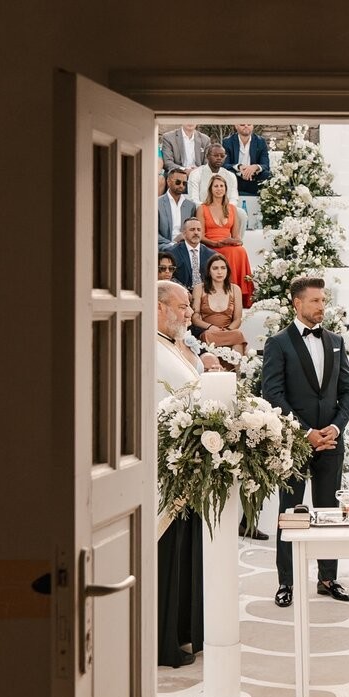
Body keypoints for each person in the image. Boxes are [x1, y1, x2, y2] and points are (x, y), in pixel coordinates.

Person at [261, 275, 349, 607]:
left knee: (329, 510)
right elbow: (273, 395)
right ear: (297, 303)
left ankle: (328, 578)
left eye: (323, 300)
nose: (322, 306)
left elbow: (348, 391)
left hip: (330, 441)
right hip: (294, 444)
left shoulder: (336, 341)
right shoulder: (278, 343)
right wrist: (306, 433)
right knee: (290, 512)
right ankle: (286, 582)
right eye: (315, 300)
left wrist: (336, 428)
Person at [156, 280, 207, 668]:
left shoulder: (173, 345)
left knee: (186, 552)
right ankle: (164, 641)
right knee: (167, 555)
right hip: (167, 468)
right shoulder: (150, 348)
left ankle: (184, 631)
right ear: (159, 308)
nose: (189, 312)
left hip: (188, 464)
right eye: (182, 306)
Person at [196, 175, 253, 307]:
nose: (219, 189)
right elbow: (200, 236)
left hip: (228, 243)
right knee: (231, 252)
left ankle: (241, 295)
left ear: (226, 189)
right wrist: (216, 243)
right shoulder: (202, 208)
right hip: (210, 245)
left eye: (221, 186)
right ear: (210, 189)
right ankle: (228, 294)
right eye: (216, 186)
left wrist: (235, 241)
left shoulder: (232, 208)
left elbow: (236, 236)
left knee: (240, 251)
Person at [191, 255, 247, 361]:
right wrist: (210, 327)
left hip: (229, 330)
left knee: (238, 335)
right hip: (209, 331)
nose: (219, 272)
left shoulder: (235, 289)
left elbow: (237, 319)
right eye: (215, 268)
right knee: (207, 335)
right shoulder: (199, 288)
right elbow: (195, 318)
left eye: (223, 268)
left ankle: (240, 370)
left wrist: (227, 330)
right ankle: (212, 366)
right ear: (209, 271)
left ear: (227, 270)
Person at [186, 143, 247, 238]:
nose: (219, 158)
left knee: (241, 214)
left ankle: (236, 241)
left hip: (225, 208)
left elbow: (234, 199)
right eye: (216, 155)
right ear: (207, 156)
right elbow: (193, 199)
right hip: (202, 209)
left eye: (222, 156)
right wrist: (210, 210)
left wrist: (223, 209)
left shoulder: (230, 175)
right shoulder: (196, 174)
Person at [223, 122, 271, 230]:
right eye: (242, 124)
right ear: (236, 126)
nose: (246, 126)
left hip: (254, 178)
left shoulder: (260, 141)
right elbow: (225, 164)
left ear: (253, 126)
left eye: (249, 124)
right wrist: (239, 167)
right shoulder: (227, 142)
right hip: (235, 178)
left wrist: (255, 167)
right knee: (226, 175)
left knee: (267, 175)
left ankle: (265, 217)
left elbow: (266, 165)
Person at [167, 217, 218, 292]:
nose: (196, 232)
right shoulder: (172, 253)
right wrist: (184, 291)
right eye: (192, 229)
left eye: (199, 230)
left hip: (206, 293)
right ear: (184, 234)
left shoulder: (211, 255)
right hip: (181, 293)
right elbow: (169, 277)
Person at [158, 168, 197, 250]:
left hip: (185, 245)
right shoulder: (157, 203)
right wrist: (173, 243)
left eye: (184, 183)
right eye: (178, 182)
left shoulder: (191, 205)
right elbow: (153, 233)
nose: (181, 185)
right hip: (164, 246)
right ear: (168, 182)